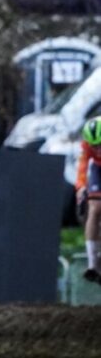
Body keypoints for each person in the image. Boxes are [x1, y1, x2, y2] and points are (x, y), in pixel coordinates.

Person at [75, 116, 101, 284]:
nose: (98, 150)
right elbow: (83, 166)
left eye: (100, 145)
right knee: (94, 207)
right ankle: (92, 264)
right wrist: (81, 187)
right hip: (98, 169)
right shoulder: (86, 145)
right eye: (94, 146)